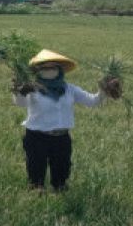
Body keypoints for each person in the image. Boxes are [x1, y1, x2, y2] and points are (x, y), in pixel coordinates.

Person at [11, 49, 118, 191]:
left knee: (61, 174)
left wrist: (105, 90)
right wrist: (18, 90)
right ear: (38, 70)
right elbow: (20, 103)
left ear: (59, 69)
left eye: (53, 67)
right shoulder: (32, 88)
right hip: (36, 137)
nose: (49, 70)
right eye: (44, 67)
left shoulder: (69, 89)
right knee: (36, 172)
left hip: (61, 137)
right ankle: (37, 195)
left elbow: (92, 101)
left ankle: (59, 192)